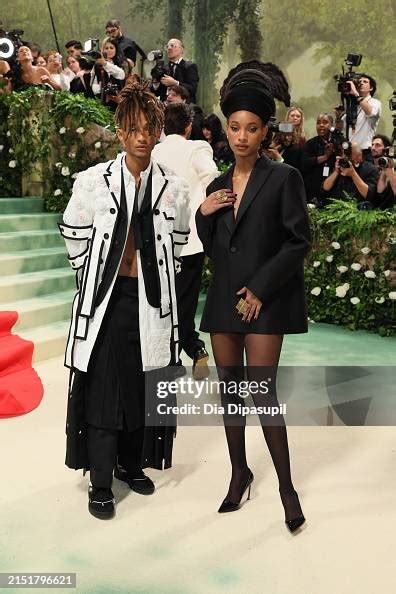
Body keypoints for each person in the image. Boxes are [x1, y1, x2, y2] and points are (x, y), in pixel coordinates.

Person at [58, 81, 190, 519]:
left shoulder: (173, 187)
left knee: (142, 384)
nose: (141, 136)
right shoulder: (95, 181)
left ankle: (131, 465)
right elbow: (73, 232)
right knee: (104, 389)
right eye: (132, 127)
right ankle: (100, 481)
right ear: (119, 131)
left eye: (149, 127)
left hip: (151, 303)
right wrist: (94, 278)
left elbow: (180, 237)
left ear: (158, 131)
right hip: (108, 301)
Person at [195, 61, 310, 533]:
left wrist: (261, 289)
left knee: (262, 394)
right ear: (227, 128)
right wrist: (203, 214)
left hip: (264, 301)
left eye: (253, 129)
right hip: (224, 301)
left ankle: (286, 486)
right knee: (232, 394)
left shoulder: (284, 179)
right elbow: (212, 245)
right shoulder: (216, 186)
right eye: (235, 128)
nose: (242, 137)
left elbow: (298, 240)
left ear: (265, 132)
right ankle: (239, 472)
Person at [153, 103, 218, 379]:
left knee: (161, 300)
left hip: (156, 237)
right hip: (190, 239)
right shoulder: (197, 148)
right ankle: (190, 349)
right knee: (185, 299)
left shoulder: (152, 150)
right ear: (188, 126)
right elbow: (212, 175)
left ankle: (179, 352)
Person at [335, 74, 381, 158]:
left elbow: (370, 112)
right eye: (359, 82)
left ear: (371, 88)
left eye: (365, 82)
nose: (361, 83)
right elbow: (340, 127)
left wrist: (356, 94)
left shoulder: (375, 102)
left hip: (365, 152)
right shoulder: (353, 106)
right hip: (350, 152)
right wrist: (338, 117)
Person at [301, 113, 339, 204]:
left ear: (331, 126)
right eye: (318, 123)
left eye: (325, 122)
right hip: (312, 189)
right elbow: (304, 163)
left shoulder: (338, 142)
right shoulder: (310, 143)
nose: (321, 125)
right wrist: (325, 157)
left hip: (333, 191)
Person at [153, 38, 199, 104]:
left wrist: (175, 83)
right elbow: (156, 93)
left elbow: (192, 89)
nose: (169, 48)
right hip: (165, 108)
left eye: (172, 46)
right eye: (167, 46)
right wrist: (156, 81)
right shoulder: (163, 69)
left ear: (181, 49)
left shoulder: (190, 66)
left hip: (185, 108)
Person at [92, 37, 126, 109]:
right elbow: (93, 82)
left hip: (119, 103)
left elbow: (121, 75)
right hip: (103, 103)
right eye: (106, 48)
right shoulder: (97, 65)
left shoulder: (122, 63)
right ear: (102, 50)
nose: (109, 50)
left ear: (116, 49)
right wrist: (99, 89)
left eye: (111, 48)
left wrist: (105, 64)